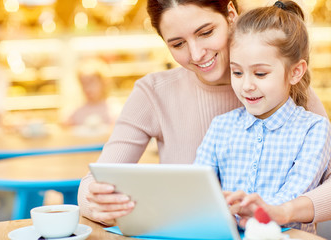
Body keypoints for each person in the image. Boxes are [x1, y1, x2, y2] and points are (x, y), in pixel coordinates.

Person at [77, 0, 328, 227]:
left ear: (231, 15)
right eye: (178, 44)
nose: (197, 54)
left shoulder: (289, 90)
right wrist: (106, 205)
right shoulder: (153, 94)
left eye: (206, 32)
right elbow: (91, 185)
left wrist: (287, 210)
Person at [194, 0, 331, 233]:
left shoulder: (314, 128)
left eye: (260, 73)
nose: (246, 85)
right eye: (237, 72)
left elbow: (294, 195)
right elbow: (197, 186)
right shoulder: (221, 126)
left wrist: (248, 209)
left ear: (295, 72)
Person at [66, 60, 114, 127]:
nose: (87, 88)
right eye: (83, 84)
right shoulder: (75, 112)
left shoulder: (113, 110)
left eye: (91, 83)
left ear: (103, 83)